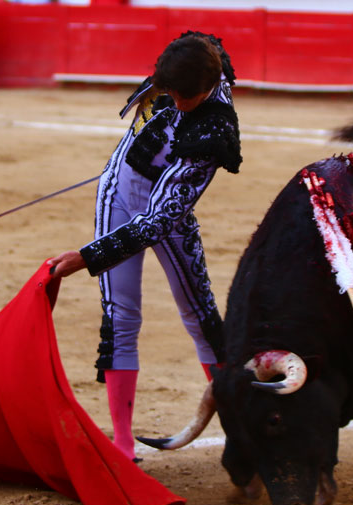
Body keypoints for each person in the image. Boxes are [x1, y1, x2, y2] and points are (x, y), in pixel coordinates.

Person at [49, 31, 241, 461]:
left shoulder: (214, 129)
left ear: (208, 89)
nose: (175, 100)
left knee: (202, 316)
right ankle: (121, 441)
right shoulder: (185, 65)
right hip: (120, 193)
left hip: (168, 211)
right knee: (121, 316)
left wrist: (88, 256)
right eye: (169, 91)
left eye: (185, 96)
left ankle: (239, 431)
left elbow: (158, 220)